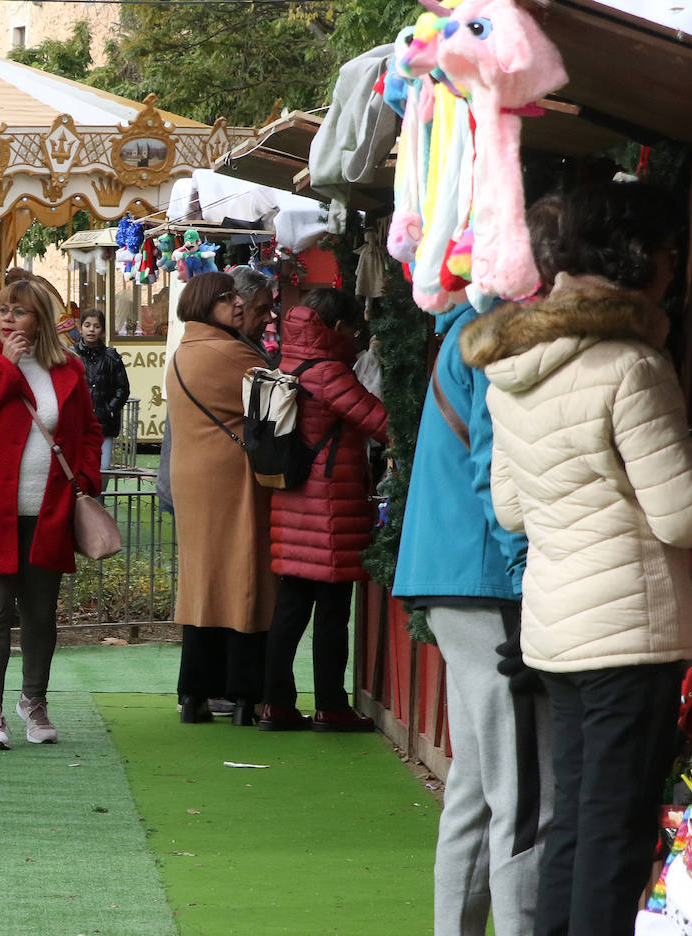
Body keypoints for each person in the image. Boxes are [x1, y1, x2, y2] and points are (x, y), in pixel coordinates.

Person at [459, 182, 692, 936]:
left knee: (575, 820)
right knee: (617, 829)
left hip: (556, 623)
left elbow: (511, 508)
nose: (675, 267)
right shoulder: (631, 366)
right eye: (671, 252)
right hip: (628, 629)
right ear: (639, 257)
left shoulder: (515, 365)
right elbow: (685, 517)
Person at [392, 200, 563, 936]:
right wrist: (528, 580)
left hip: (453, 573)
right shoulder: (494, 336)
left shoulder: (463, 328)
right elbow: (499, 476)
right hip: (487, 579)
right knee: (522, 793)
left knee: (477, 786)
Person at [0, 276, 101, 750]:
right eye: (4, 310)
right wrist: (6, 367)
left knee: (40, 612)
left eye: (21, 311)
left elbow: (90, 431)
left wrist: (86, 481)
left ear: (40, 320)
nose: (9, 319)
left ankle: (34, 701)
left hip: (49, 509)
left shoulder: (67, 369)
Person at [259, 289, 388, 732]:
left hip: (293, 500)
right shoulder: (330, 371)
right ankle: (331, 705)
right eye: (351, 329)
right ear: (335, 328)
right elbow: (380, 421)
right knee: (333, 612)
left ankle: (275, 704)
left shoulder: (290, 361)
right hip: (328, 508)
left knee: (291, 608)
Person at [165, 271, 275, 726]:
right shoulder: (231, 354)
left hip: (191, 480)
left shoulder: (182, 352)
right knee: (244, 581)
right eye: (226, 298)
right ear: (206, 303)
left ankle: (194, 693)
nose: (238, 305)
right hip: (233, 479)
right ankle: (243, 693)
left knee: (202, 583)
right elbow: (278, 399)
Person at [72, 308, 130, 472]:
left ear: (102, 330)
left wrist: (110, 409)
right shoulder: (71, 355)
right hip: (77, 421)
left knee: (102, 468)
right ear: (80, 328)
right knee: (77, 467)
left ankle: (99, 498)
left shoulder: (111, 357)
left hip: (103, 422)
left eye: (96, 326)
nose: (91, 330)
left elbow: (122, 388)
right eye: (87, 325)